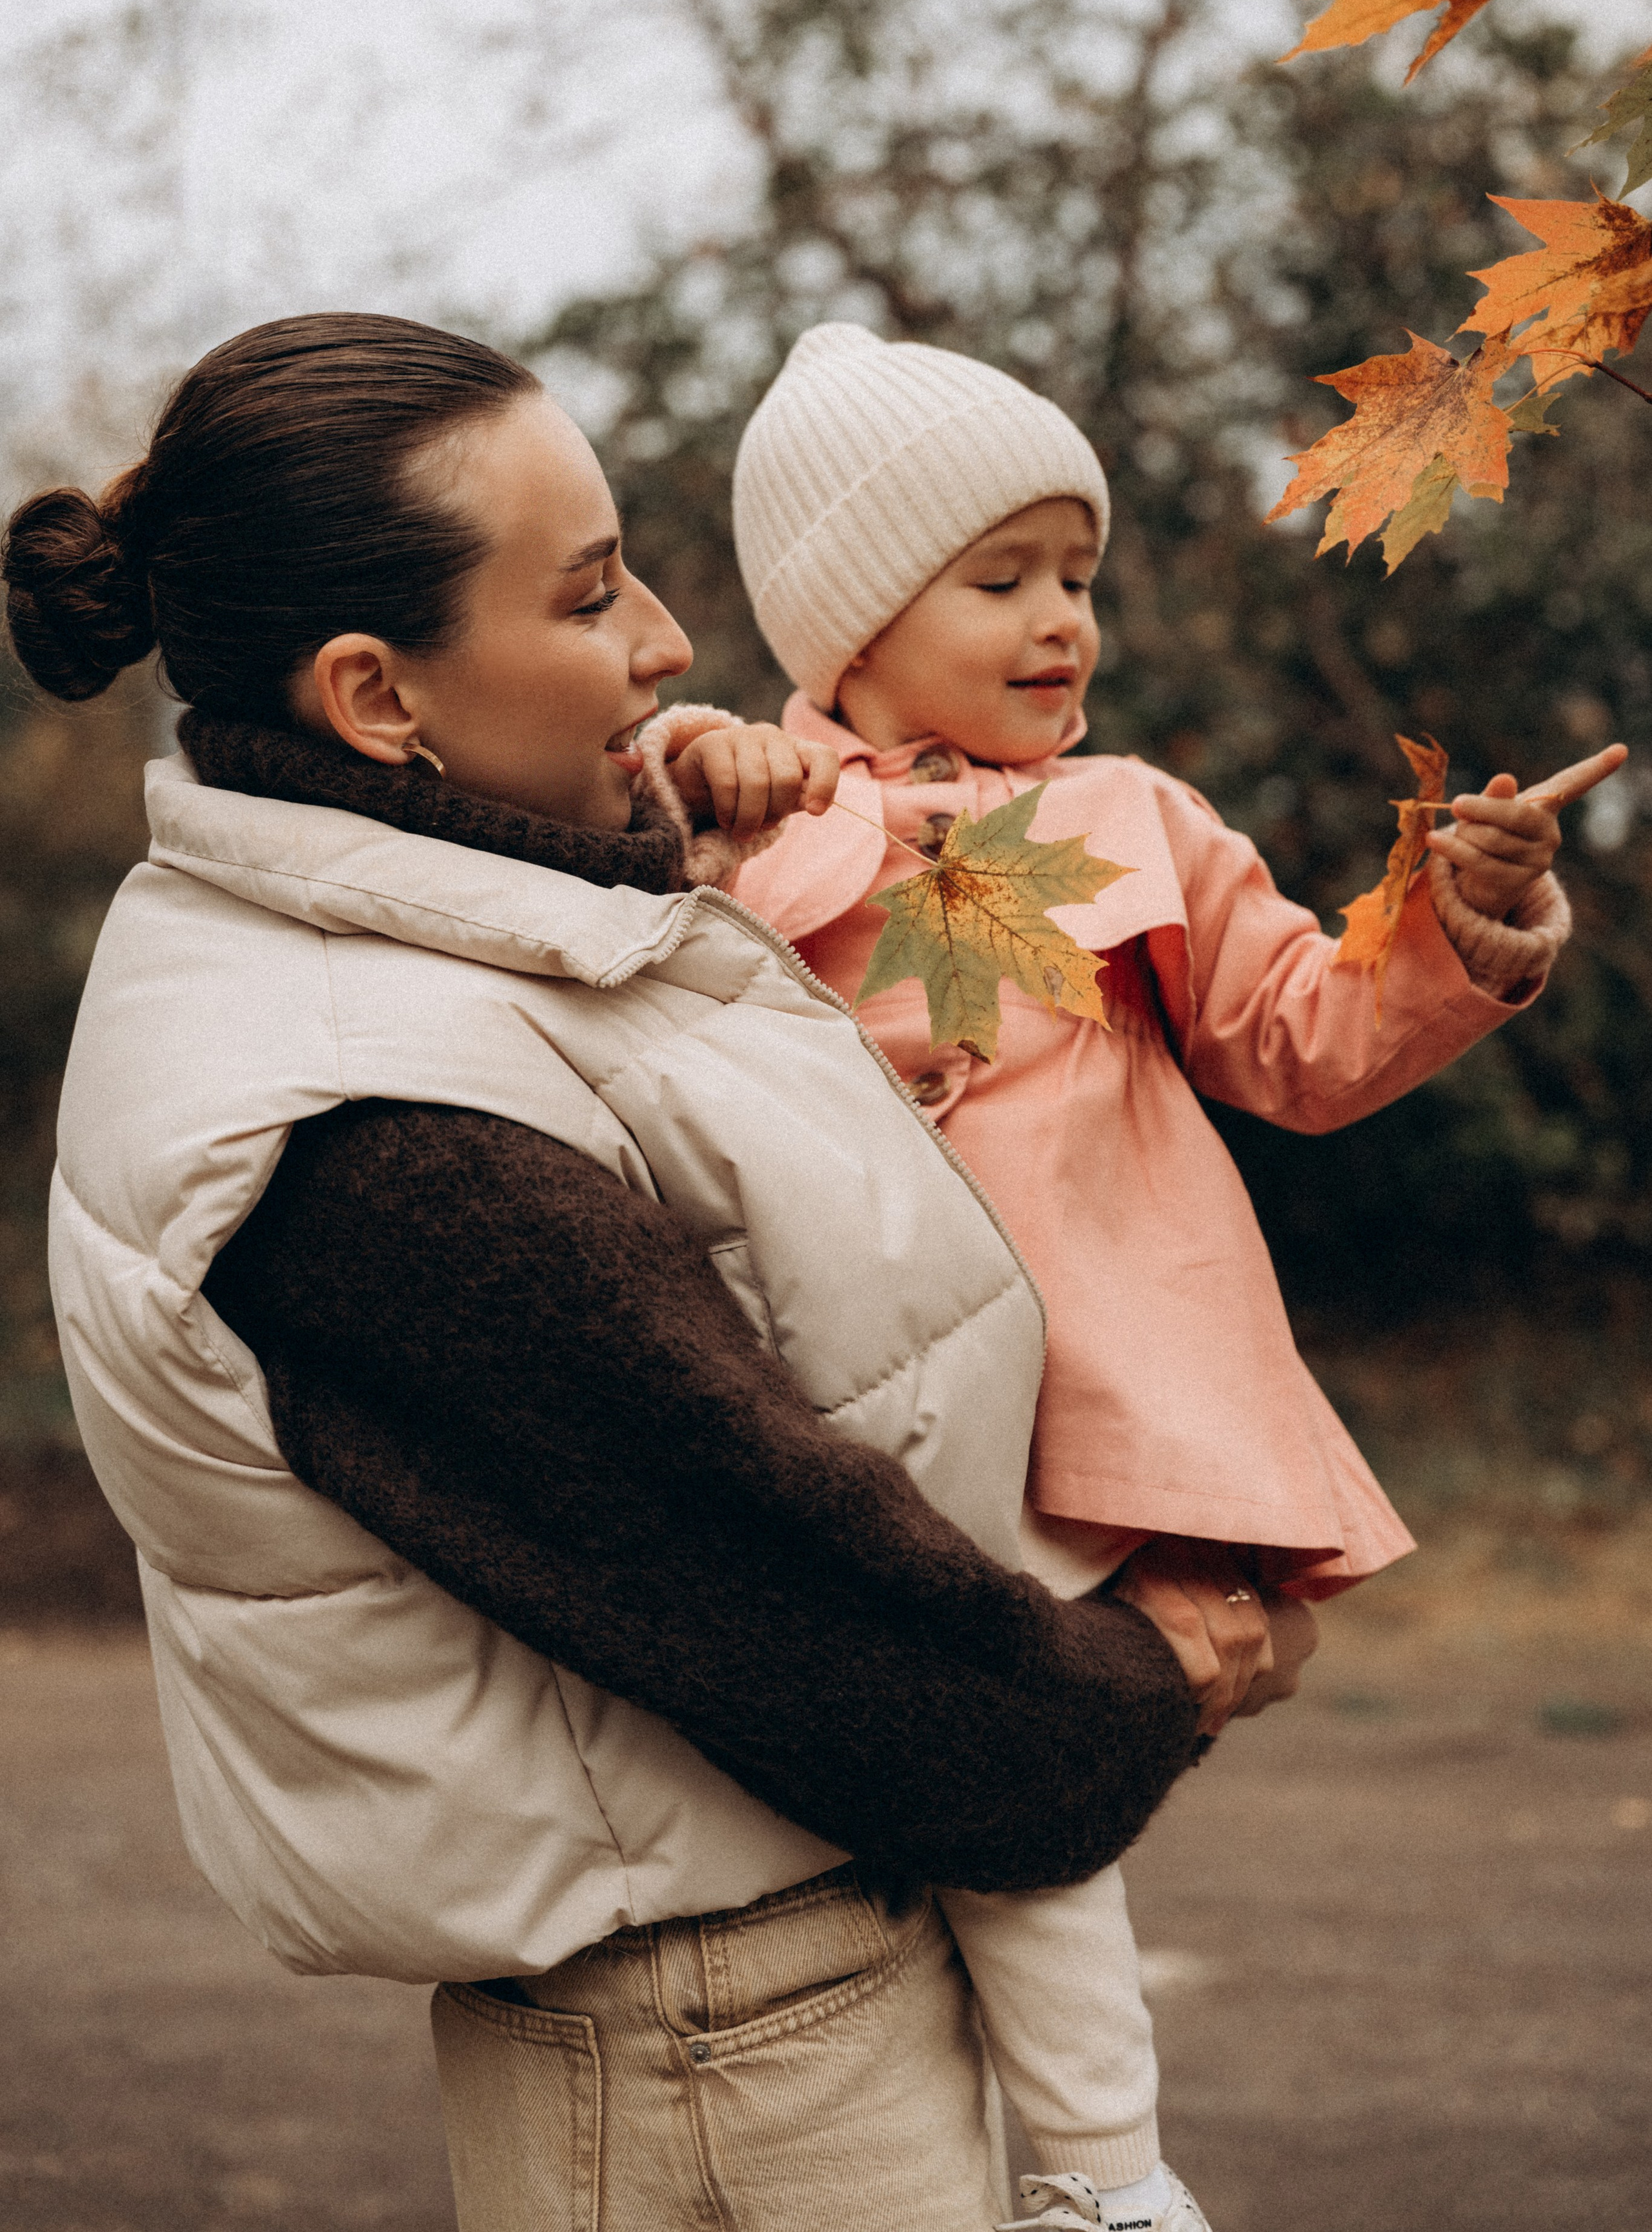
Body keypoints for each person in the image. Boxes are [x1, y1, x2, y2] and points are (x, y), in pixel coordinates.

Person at [2, 312, 1238, 2232]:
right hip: (728, 2054)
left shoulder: (443, 936)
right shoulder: (373, 1132)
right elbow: (772, 1583)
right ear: (376, 696)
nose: (669, 642)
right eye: (591, 599)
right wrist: (1145, 1677)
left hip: (762, 1998)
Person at [693, 319, 1624, 2232]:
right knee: (887, 1825)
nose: (1062, 622)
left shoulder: (1129, 823)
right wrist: (707, 787)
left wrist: (1471, 916)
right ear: (845, 623)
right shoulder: (742, 808)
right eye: (1000, 578)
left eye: (1077, 578)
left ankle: (1108, 2179)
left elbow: (1302, 1033)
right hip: (841, 1385)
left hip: (1073, 1398)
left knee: (1024, 1806)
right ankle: (999, 2165)